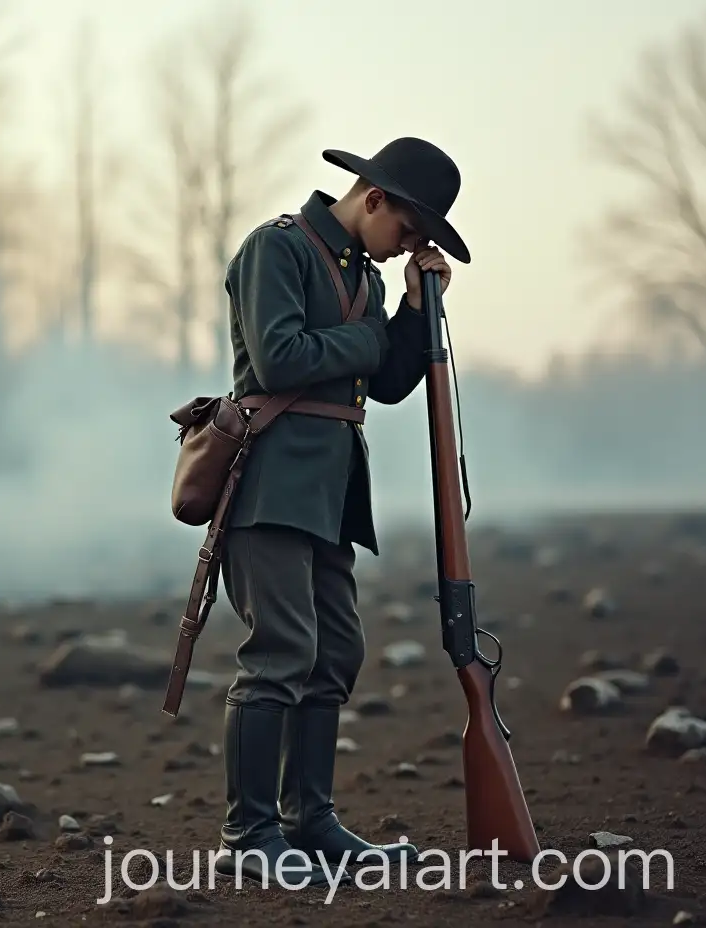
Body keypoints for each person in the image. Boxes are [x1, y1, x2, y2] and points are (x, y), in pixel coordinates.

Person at [212, 137, 468, 887]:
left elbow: (384, 383)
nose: (407, 249)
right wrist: (371, 336)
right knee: (280, 655)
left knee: (334, 655)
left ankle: (310, 822)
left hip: (329, 497)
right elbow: (282, 359)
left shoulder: (368, 278)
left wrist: (416, 309)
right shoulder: (277, 249)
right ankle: (250, 833)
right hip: (268, 488)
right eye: (408, 231)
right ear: (375, 199)